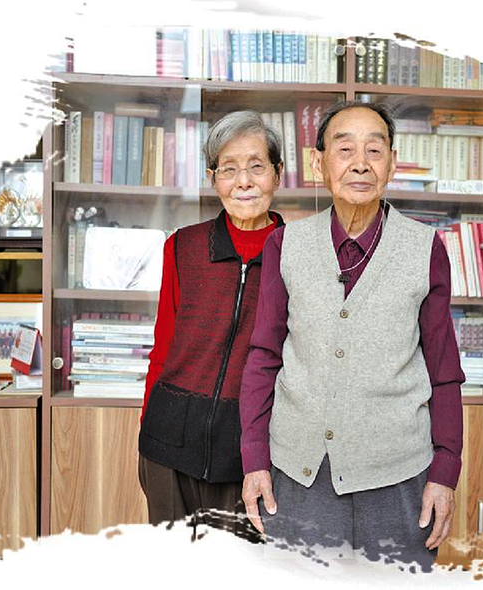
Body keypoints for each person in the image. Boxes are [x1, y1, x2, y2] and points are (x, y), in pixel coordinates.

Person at [239, 101, 465, 570]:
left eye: (374, 150)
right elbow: (264, 356)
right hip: (298, 476)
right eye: (345, 149)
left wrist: (445, 470)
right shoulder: (286, 244)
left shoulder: (425, 249)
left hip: (399, 480)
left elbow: (443, 370)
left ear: (392, 164)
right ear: (318, 163)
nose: (360, 163)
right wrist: (255, 459)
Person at [137, 110, 284, 540]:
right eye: (229, 169)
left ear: (277, 174)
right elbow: (163, 348)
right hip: (167, 446)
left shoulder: (296, 255)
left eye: (256, 166)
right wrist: (147, 430)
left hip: (250, 457)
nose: (244, 181)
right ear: (213, 178)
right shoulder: (183, 246)